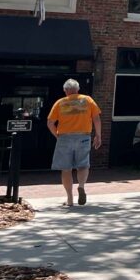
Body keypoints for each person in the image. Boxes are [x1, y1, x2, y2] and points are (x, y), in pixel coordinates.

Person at [47, 79, 102, 207]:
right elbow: (97, 118)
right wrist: (98, 135)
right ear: (78, 89)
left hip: (64, 137)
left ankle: (70, 199)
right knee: (83, 165)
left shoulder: (60, 102)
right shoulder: (88, 100)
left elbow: (50, 122)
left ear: (66, 90)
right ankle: (81, 186)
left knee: (66, 169)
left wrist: (57, 135)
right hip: (84, 136)